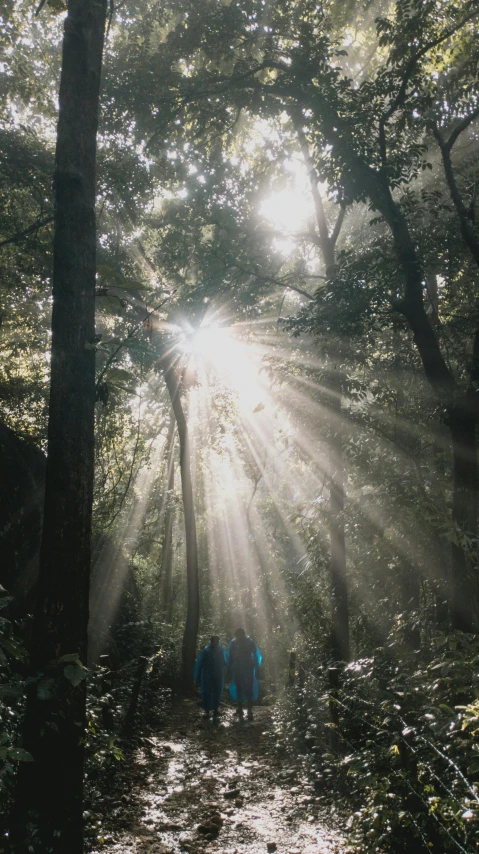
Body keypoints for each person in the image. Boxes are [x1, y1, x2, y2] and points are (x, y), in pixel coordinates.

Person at [225, 627, 262, 721]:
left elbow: (255, 656)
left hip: (246, 669)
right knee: (240, 688)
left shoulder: (247, 642)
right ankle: (242, 709)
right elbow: (230, 657)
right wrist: (229, 670)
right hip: (240, 669)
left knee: (246, 688)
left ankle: (248, 710)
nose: (238, 637)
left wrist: (257, 669)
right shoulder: (235, 643)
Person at [194, 635, 226, 719]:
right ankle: (207, 711)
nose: (216, 643)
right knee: (206, 692)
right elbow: (200, 663)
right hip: (207, 675)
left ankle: (215, 709)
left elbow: (224, 662)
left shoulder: (221, 651)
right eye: (215, 641)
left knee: (217, 692)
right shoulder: (206, 651)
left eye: (217, 641)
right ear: (211, 642)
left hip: (218, 675)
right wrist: (197, 676)